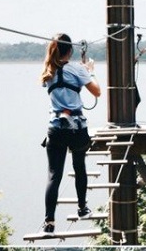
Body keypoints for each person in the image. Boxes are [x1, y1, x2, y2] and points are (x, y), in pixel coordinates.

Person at [40, 32, 101, 234]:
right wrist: (89, 71)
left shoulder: (48, 71)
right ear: (70, 50)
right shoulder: (76, 69)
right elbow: (97, 92)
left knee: (53, 175)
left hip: (56, 128)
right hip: (76, 128)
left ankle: (49, 221)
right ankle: (82, 208)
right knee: (79, 167)